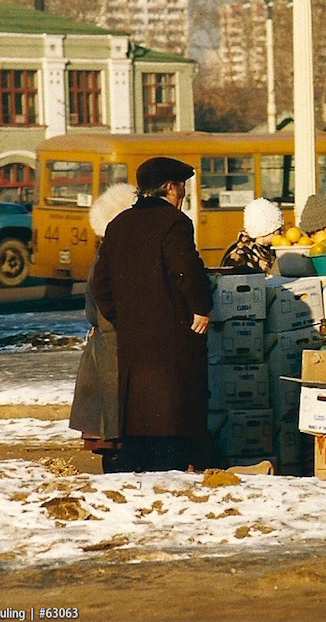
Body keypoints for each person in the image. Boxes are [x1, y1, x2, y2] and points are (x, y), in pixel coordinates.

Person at [91, 156, 213, 473]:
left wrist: (126, 319)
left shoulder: (117, 225)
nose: (182, 198)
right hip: (171, 341)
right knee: (172, 416)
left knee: (138, 417)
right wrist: (201, 307)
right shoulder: (175, 223)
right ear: (170, 189)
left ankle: (137, 480)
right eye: (182, 190)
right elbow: (185, 270)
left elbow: (100, 286)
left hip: (133, 343)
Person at [69, 181, 136, 473]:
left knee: (112, 426)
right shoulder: (117, 256)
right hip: (114, 348)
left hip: (106, 345)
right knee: (117, 424)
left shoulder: (103, 253)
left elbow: (90, 310)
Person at [219, 197, 283, 274]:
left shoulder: (268, 251)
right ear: (268, 230)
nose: (281, 233)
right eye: (278, 229)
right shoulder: (239, 257)